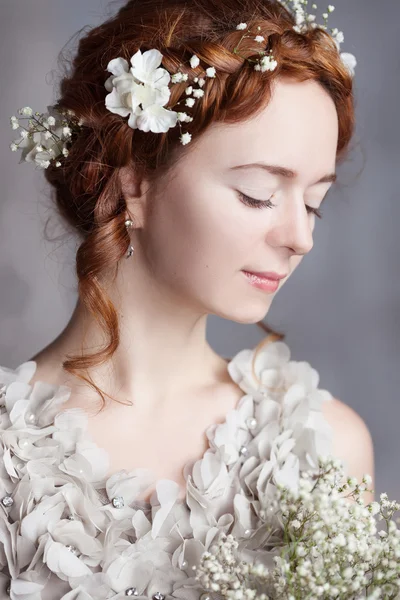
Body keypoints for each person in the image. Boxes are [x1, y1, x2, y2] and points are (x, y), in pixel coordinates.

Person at [2, 0, 374, 597]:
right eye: (257, 194)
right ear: (134, 183)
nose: (300, 238)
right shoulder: (7, 460)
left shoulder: (324, 450)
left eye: (313, 203)